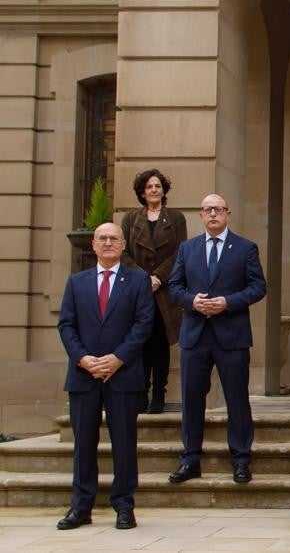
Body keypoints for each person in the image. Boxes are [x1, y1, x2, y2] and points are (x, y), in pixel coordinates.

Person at [55, 222, 154, 531]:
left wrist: (117, 358)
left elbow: (143, 325)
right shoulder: (76, 282)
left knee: (124, 442)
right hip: (84, 376)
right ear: (94, 246)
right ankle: (81, 506)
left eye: (114, 238)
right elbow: (66, 326)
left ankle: (124, 505)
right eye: (103, 238)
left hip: (122, 375)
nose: (108, 243)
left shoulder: (137, 281)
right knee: (83, 443)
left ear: (123, 245)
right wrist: (84, 359)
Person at [167, 193, 267, 485]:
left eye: (218, 209)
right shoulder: (187, 249)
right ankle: (190, 459)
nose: (213, 214)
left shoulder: (245, 248)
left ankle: (240, 459)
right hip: (195, 335)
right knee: (192, 400)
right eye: (208, 210)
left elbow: (258, 287)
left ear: (228, 213)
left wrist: (228, 302)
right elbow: (174, 287)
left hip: (231, 335)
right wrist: (191, 301)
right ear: (201, 215)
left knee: (237, 399)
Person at [120, 168, 187, 414]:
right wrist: (142, 278)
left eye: (158, 186)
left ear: (164, 190)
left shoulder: (176, 218)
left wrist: (158, 277)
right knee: (139, 342)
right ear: (142, 192)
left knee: (160, 343)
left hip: (164, 291)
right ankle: (141, 392)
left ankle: (159, 393)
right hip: (137, 291)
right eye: (149, 187)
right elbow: (123, 252)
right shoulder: (130, 219)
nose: (154, 190)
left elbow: (180, 252)